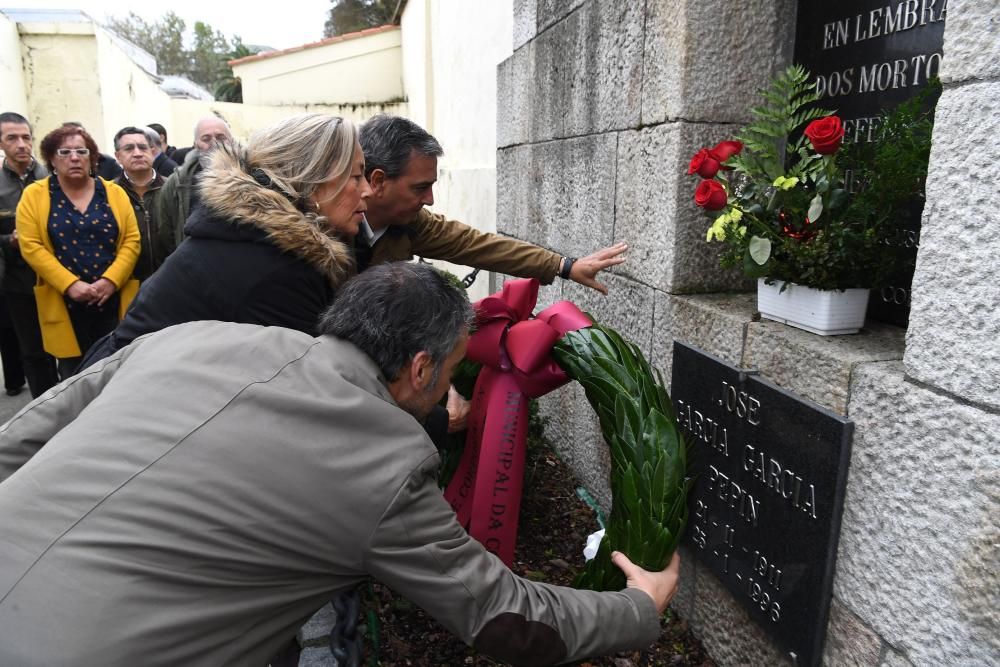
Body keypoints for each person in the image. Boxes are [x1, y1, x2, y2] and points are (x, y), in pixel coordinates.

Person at [0, 262, 680, 667]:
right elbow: (504, 616)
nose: (451, 392)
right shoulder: (383, 460)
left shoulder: (188, 337)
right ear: (419, 369)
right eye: (450, 374)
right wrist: (636, 609)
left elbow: (18, 441)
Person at [80, 113, 362, 367]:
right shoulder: (271, 266)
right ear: (313, 181)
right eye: (357, 176)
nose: (368, 190)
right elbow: (307, 380)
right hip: (124, 395)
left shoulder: (261, 240)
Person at [359, 114, 627, 294]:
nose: (430, 200)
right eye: (420, 188)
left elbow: (476, 244)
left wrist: (564, 266)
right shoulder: (326, 234)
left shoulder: (412, 224)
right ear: (379, 181)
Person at [15, 124, 140, 378]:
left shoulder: (114, 193)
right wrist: (70, 284)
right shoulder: (34, 195)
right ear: (51, 158)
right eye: (64, 152)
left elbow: (131, 240)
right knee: (74, 377)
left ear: (92, 158)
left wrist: (110, 281)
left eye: (81, 151)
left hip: (112, 299)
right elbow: (31, 246)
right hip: (65, 300)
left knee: (118, 369)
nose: (74, 157)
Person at [0, 112, 52, 396]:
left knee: (64, 345)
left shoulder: (51, 178)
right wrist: (10, 240)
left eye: (26, 137)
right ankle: (42, 405)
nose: (21, 144)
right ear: (1, 143)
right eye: (12, 138)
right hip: (18, 282)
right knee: (32, 351)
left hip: (57, 277)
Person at [156, 115, 233, 254]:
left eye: (221, 137)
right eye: (206, 139)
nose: (214, 143)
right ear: (196, 144)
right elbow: (166, 233)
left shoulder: (252, 176)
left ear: (232, 141)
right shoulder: (176, 182)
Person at [112, 126, 167, 280]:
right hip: (127, 282)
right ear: (118, 156)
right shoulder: (109, 193)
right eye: (129, 149)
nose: (137, 153)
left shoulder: (172, 188)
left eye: (143, 147)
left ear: (153, 151)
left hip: (171, 281)